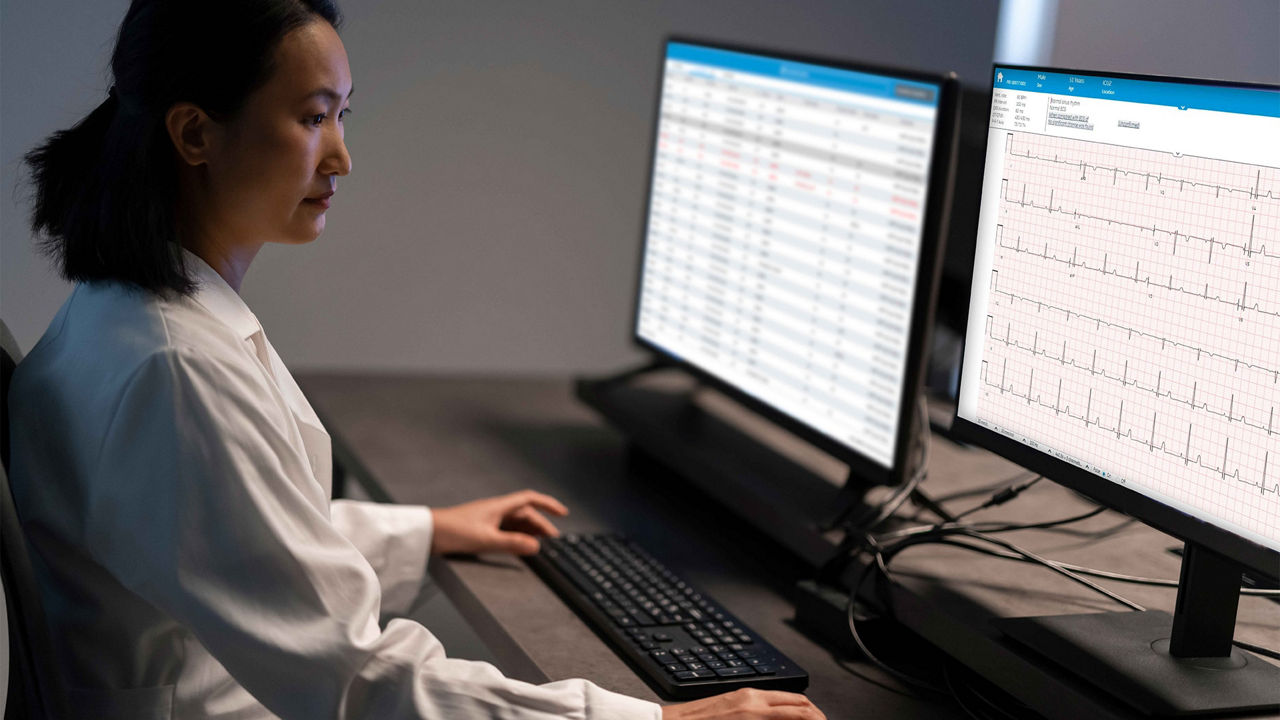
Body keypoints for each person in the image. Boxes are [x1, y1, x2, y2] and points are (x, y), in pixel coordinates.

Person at [8, 2, 827, 719]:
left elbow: (231, 530)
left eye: (343, 117)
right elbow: (354, 681)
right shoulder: (177, 368)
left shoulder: (121, 314)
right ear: (194, 133)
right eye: (312, 118)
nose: (340, 158)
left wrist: (425, 530)